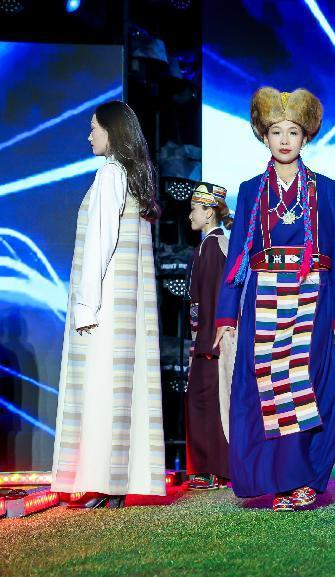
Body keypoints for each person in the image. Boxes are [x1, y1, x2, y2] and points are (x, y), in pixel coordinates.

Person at [213, 87, 335, 511]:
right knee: (269, 384)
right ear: (264, 136)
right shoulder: (251, 190)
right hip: (264, 297)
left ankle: (301, 479)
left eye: (293, 131)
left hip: (312, 297)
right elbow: (238, 256)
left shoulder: (324, 189)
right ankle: (280, 479)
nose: (285, 140)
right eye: (276, 132)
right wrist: (226, 315)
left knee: (302, 383)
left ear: (306, 136)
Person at [51, 101, 164, 508]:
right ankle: (115, 481)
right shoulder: (134, 177)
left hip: (105, 303)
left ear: (112, 132)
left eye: (94, 128)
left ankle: (105, 481)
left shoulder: (110, 174)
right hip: (126, 306)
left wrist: (86, 307)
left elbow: (99, 244)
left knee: (100, 391)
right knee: (122, 392)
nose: (89, 136)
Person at [185, 182, 235, 490]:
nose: (191, 214)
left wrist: (206, 340)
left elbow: (215, 298)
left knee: (211, 401)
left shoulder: (214, 247)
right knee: (209, 400)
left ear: (208, 212)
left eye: (194, 209)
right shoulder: (213, 246)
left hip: (212, 340)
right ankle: (213, 468)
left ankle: (214, 469)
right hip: (209, 338)